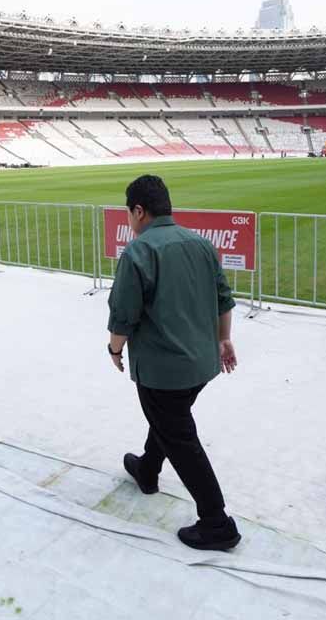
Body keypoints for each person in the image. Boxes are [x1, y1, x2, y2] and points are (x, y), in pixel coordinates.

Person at [106, 175, 241, 551]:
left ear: (138, 211)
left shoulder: (138, 252)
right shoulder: (200, 244)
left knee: (179, 434)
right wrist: (223, 339)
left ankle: (217, 522)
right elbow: (223, 300)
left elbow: (123, 315)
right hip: (201, 363)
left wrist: (114, 349)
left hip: (164, 369)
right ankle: (148, 470)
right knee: (170, 419)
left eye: (129, 213)